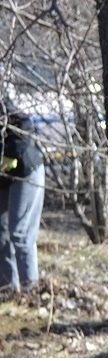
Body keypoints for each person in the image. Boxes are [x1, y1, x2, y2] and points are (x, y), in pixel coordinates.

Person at [0, 109, 42, 294]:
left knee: (20, 233)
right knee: (1, 232)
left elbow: (25, 125)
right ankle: (8, 290)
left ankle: (30, 291)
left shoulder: (4, 108)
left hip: (26, 170)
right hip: (4, 177)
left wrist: (8, 153)